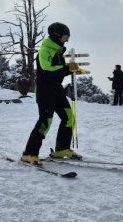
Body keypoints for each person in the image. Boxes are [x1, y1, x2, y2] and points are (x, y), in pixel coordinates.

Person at [21, 22, 81, 164]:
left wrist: (71, 69)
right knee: (45, 122)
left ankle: (62, 149)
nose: (66, 40)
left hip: (57, 90)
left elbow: (57, 71)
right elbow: (48, 71)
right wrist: (67, 68)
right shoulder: (45, 51)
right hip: (45, 92)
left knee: (68, 117)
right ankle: (29, 154)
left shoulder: (58, 51)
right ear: (56, 36)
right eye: (65, 37)